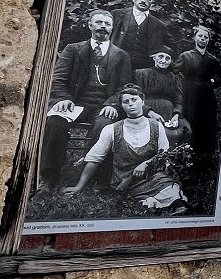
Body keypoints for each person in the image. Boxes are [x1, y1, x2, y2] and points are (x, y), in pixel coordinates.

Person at [39, 9, 133, 189]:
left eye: (107, 24)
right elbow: (58, 79)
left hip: (103, 107)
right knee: (55, 122)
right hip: (75, 104)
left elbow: (124, 87)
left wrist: (113, 103)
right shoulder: (73, 49)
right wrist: (63, 98)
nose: (102, 27)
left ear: (112, 29)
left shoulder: (121, 56)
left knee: (105, 127)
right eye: (98, 23)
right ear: (90, 25)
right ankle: (49, 177)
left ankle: (95, 178)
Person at [64, 85, 188, 214]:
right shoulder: (112, 129)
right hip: (124, 179)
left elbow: (165, 154)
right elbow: (95, 158)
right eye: (126, 102)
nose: (131, 104)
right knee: (161, 190)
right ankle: (168, 203)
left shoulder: (156, 126)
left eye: (134, 100)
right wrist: (79, 186)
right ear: (122, 106)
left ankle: (177, 205)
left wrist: (147, 163)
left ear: (143, 102)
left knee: (169, 185)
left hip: (152, 174)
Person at [174, 25, 221, 157]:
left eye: (205, 37)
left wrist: (213, 83)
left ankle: (205, 154)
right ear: (195, 38)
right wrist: (182, 83)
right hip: (190, 93)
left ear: (208, 40)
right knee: (192, 119)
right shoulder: (185, 56)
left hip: (207, 94)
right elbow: (175, 72)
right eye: (200, 36)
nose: (202, 39)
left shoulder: (213, 60)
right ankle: (188, 152)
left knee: (206, 122)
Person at [130, 46, 192, 148]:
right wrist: (149, 112)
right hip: (145, 112)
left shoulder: (175, 78)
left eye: (167, 58)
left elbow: (179, 101)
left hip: (168, 112)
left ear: (171, 61)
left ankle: (172, 160)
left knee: (186, 130)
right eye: (160, 57)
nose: (163, 60)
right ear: (154, 57)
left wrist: (176, 115)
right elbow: (135, 97)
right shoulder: (140, 74)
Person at [110, 0, 169, 70]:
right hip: (115, 65)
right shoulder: (117, 15)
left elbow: (166, 48)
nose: (143, 0)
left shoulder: (159, 25)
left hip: (142, 70)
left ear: (152, 3)